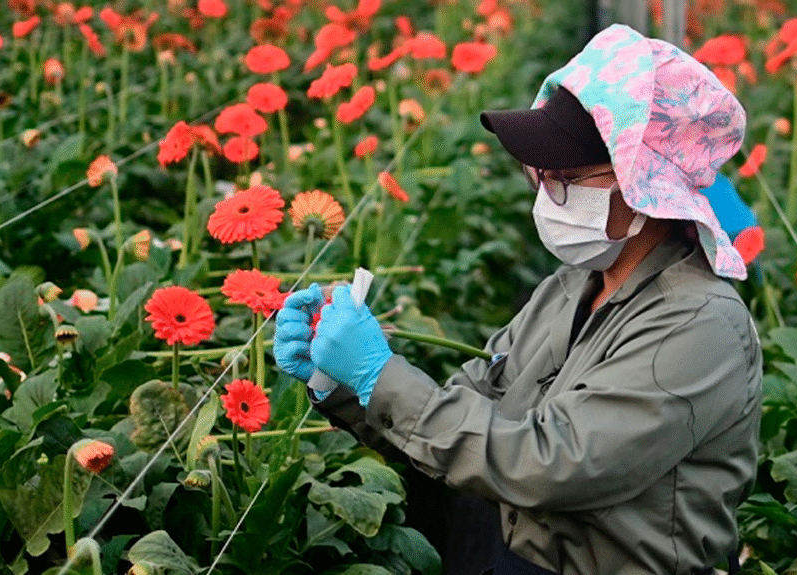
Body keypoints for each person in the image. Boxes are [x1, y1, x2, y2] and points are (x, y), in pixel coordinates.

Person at [274, 24, 761, 575]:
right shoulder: (571, 287)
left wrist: (380, 375)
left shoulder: (700, 325)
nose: (546, 194)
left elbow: (549, 465)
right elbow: (464, 410)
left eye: (566, 178)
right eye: (540, 175)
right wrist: (342, 385)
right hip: (510, 540)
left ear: (645, 185)